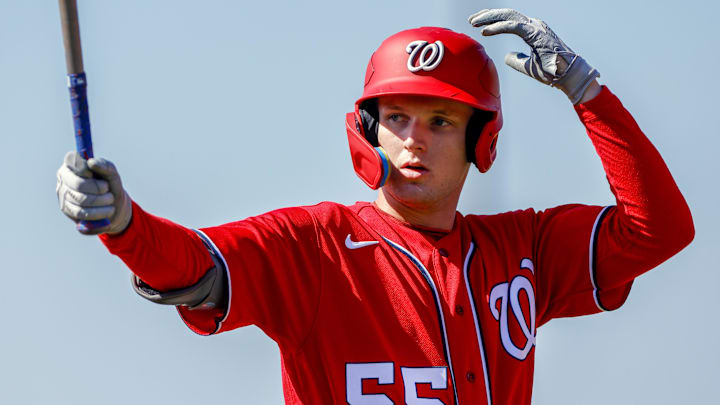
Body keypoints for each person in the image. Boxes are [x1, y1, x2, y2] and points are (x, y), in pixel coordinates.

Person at [55, 8, 694, 405]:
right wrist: (124, 224)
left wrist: (587, 92)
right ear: (369, 132)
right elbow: (192, 268)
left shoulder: (522, 248)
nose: (414, 139)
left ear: (480, 140)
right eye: (396, 117)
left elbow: (660, 229)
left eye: (441, 120)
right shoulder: (316, 244)